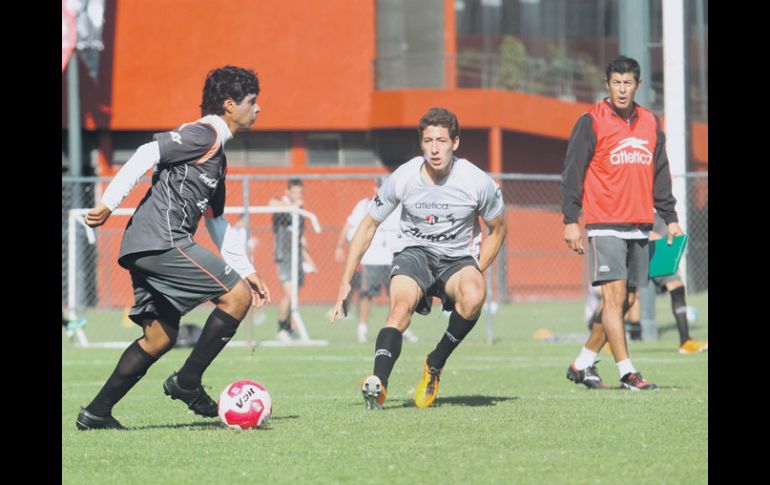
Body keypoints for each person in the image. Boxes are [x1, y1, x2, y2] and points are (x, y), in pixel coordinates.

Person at [77, 66, 271, 430]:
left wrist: (247, 269)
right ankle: (187, 383)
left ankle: (96, 413)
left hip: (146, 243)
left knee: (159, 337)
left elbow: (215, 220)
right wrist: (109, 202)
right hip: (162, 240)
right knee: (237, 298)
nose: (258, 108)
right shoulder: (205, 133)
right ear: (229, 105)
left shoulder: (219, 159)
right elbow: (147, 152)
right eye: (252, 101)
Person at [330, 107, 507, 410]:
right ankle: (379, 383)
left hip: (457, 259)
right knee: (399, 307)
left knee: (475, 295)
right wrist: (345, 281)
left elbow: (498, 229)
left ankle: (434, 363)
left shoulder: (476, 181)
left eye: (441, 140)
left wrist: (476, 269)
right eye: (428, 141)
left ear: (455, 143)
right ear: (421, 143)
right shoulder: (405, 177)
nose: (434, 149)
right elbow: (368, 225)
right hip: (414, 254)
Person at [561, 55, 684, 391]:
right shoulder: (592, 120)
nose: (621, 89)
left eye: (627, 83)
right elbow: (572, 173)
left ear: (638, 86)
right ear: (607, 84)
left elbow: (660, 175)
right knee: (614, 300)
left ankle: (582, 364)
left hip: (641, 224)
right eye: (616, 82)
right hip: (604, 223)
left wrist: (670, 219)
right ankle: (628, 372)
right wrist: (571, 220)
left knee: (626, 301)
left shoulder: (650, 122)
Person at [334, 177, 417, 344]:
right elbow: (349, 225)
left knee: (399, 296)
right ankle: (362, 329)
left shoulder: (399, 206)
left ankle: (399, 328)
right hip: (372, 259)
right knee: (366, 295)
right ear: (375, 188)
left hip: (394, 257)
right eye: (380, 187)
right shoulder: (365, 205)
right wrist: (339, 245)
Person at [623, 215, 708, 353]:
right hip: (637, 245)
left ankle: (685, 341)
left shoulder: (662, 203)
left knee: (677, 287)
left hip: (659, 249)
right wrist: (644, 233)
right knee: (628, 295)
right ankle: (609, 338)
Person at [269, 178, 316, 341]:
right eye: (295, 192)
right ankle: (282, 328)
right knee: (290, 295)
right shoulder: (281, 201)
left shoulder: (300, 210)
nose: (298, 195)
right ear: (288, 192)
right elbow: (271, 205)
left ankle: (287, 328)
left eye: (300, 192)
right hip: (284, 255)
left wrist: (307, 257)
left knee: (294, 294)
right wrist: (292, 206)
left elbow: (301, 236)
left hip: (296, 256)